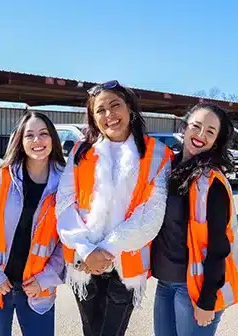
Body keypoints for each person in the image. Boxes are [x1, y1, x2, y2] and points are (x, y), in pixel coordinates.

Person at [55, 80, 173, 336]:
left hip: (125, 263)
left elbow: (150, 215)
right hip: (83, 263)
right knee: (90, 330)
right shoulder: (80, 152)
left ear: (130, 108)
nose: (109, 115)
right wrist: (87, 250)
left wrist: (105, 251)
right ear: (93, 117)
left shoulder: (157, 154)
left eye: (115, 105)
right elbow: (64, 204)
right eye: (100, 110)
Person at [151, 103, 238, 336]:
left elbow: (219, 246)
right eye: (196, 126)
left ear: (217, 141)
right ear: (184, 127)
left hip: (194, 288)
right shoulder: (166, 168)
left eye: (210, 132)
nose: (201, 135)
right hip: (165, 283)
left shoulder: (211, 181)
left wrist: (207, 300)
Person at [0, 112, 66, 336]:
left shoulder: (66, 185)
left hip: (37, 288)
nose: (37, 141)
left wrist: (46, 278)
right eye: (29, 135)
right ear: (20, 141)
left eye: (43, 134)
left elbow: (67, 241)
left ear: (53, 139)